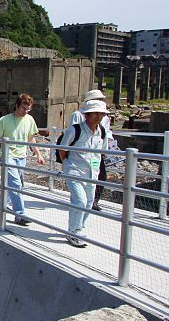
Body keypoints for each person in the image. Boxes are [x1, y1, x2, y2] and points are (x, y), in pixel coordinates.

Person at [59, 99, 109, 247]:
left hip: (92, 173)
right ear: (87, 114)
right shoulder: (75, 130)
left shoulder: (102, 132)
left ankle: (79, 227)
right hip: (75, 171)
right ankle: (74, 232)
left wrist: (96, 169)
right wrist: (67, 165)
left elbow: (101, 152)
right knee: (79, 201)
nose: (98, 117)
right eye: (95, 113)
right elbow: (63, 148)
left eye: (101, 114)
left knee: (88, 203)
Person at [0, 93, 45, 226]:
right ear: (16, 106)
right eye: (24, 108)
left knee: (18, 184)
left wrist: (38, 153)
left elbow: (30, 138)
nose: (26, 111)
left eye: (28, 109)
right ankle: (20, 215)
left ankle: (1, 202)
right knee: (15, 184)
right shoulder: (4, 120)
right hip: (7, 156)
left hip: (21, 156)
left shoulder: (29, 119)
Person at [69, 89, 114, 211]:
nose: (100, 101)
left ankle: (94, 200)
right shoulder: (78, 115)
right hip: (80, 154)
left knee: (100, 174)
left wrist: (109, 142)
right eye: (98, 99)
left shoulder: (104, 117)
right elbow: (72, 133)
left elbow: (107, 132)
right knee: (80, 177)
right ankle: (79, 199)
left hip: (96, 152)